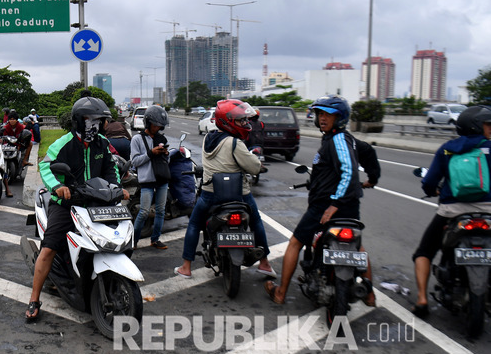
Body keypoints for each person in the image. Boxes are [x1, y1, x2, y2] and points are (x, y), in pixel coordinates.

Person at [25, 96, 129, 321]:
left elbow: (112, 168)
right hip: (66, 205)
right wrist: (58, 186)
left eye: (101, 121)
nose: (99, 125)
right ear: (81, 120)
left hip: (96, 204)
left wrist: (118, 188)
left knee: (120, 237)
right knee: (50, 247)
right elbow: (45, 166)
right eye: (95, 119)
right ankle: (34, 298)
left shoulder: (102, 143)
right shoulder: (63, 144)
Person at [264, 96, 374, 306]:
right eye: (320, 114)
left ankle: (280, 293)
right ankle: (370, 296)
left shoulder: (339, 139)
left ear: (340, 119)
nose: (323, 119)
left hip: (328, 205)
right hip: (347, 204)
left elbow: (349, 171)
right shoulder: (344, 139)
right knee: (358, 247)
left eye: (328, 115)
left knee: (295, 243)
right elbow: (369, 153)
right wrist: (374, 178)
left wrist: (334, 203)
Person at [174, 99, 275, 278]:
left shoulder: (207, 139)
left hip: (210, 194)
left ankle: (186, 267)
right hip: (239, 195)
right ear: (226, 121)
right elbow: (253, 167)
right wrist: (256, 163)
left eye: (244, 120)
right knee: (256, 221)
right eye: (240, 120)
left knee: (194, 224)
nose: (244, 123)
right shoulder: (235, 143)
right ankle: (265, 263)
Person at [410, 105, 491, 318]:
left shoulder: (447, 149)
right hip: (489, 212)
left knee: (424, 252)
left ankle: (421, 300)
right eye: (487, 125)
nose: (490, 128)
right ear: (477, 126)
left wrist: (432, 189)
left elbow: (429, 182)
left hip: (452, 212)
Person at [130, 105, 171, 250]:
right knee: (144, 212)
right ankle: (133, 241)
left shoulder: (161, 138)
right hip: (147, 181)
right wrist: (151, 153)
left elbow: (167, 161)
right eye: (155, 124)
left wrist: (165, 155)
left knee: (161, 211)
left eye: (160, 125)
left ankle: (155, 239)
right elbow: (134, 162)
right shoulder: (137, 139)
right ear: (148, 122)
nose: (158, 127)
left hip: (161, 179)